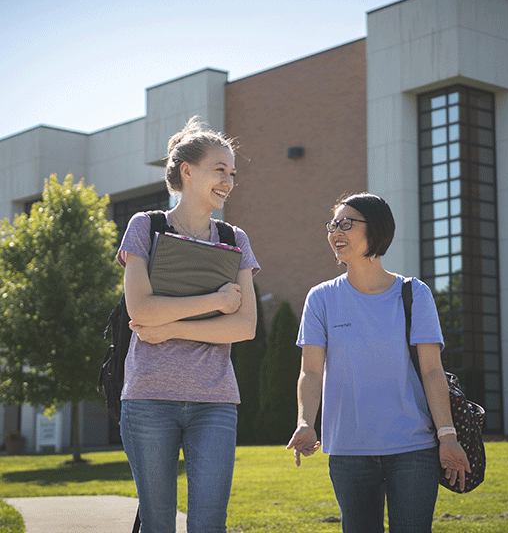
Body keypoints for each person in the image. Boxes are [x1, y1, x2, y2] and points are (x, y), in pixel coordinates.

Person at [286, 192, 470, 533]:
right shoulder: (321, 298)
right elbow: (310, 372)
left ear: (377, 230)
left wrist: (447, 435)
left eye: (346, 223)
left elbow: (431, 371)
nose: (335, 232)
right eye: (332, 224)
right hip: (348, 450)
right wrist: (305, 421)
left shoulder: (415, 293)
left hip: (413, 448)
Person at [118, 116, 259, 533]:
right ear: (187, 171)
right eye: (220, 170)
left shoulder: (235, 239)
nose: (228, 181)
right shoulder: (146, 226)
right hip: (148, 399)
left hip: (214, 402)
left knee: (209, 523)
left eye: (232, 173)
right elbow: (141, 310)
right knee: (158, 522)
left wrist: (170, 327)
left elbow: (246, 326)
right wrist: (216, 302)